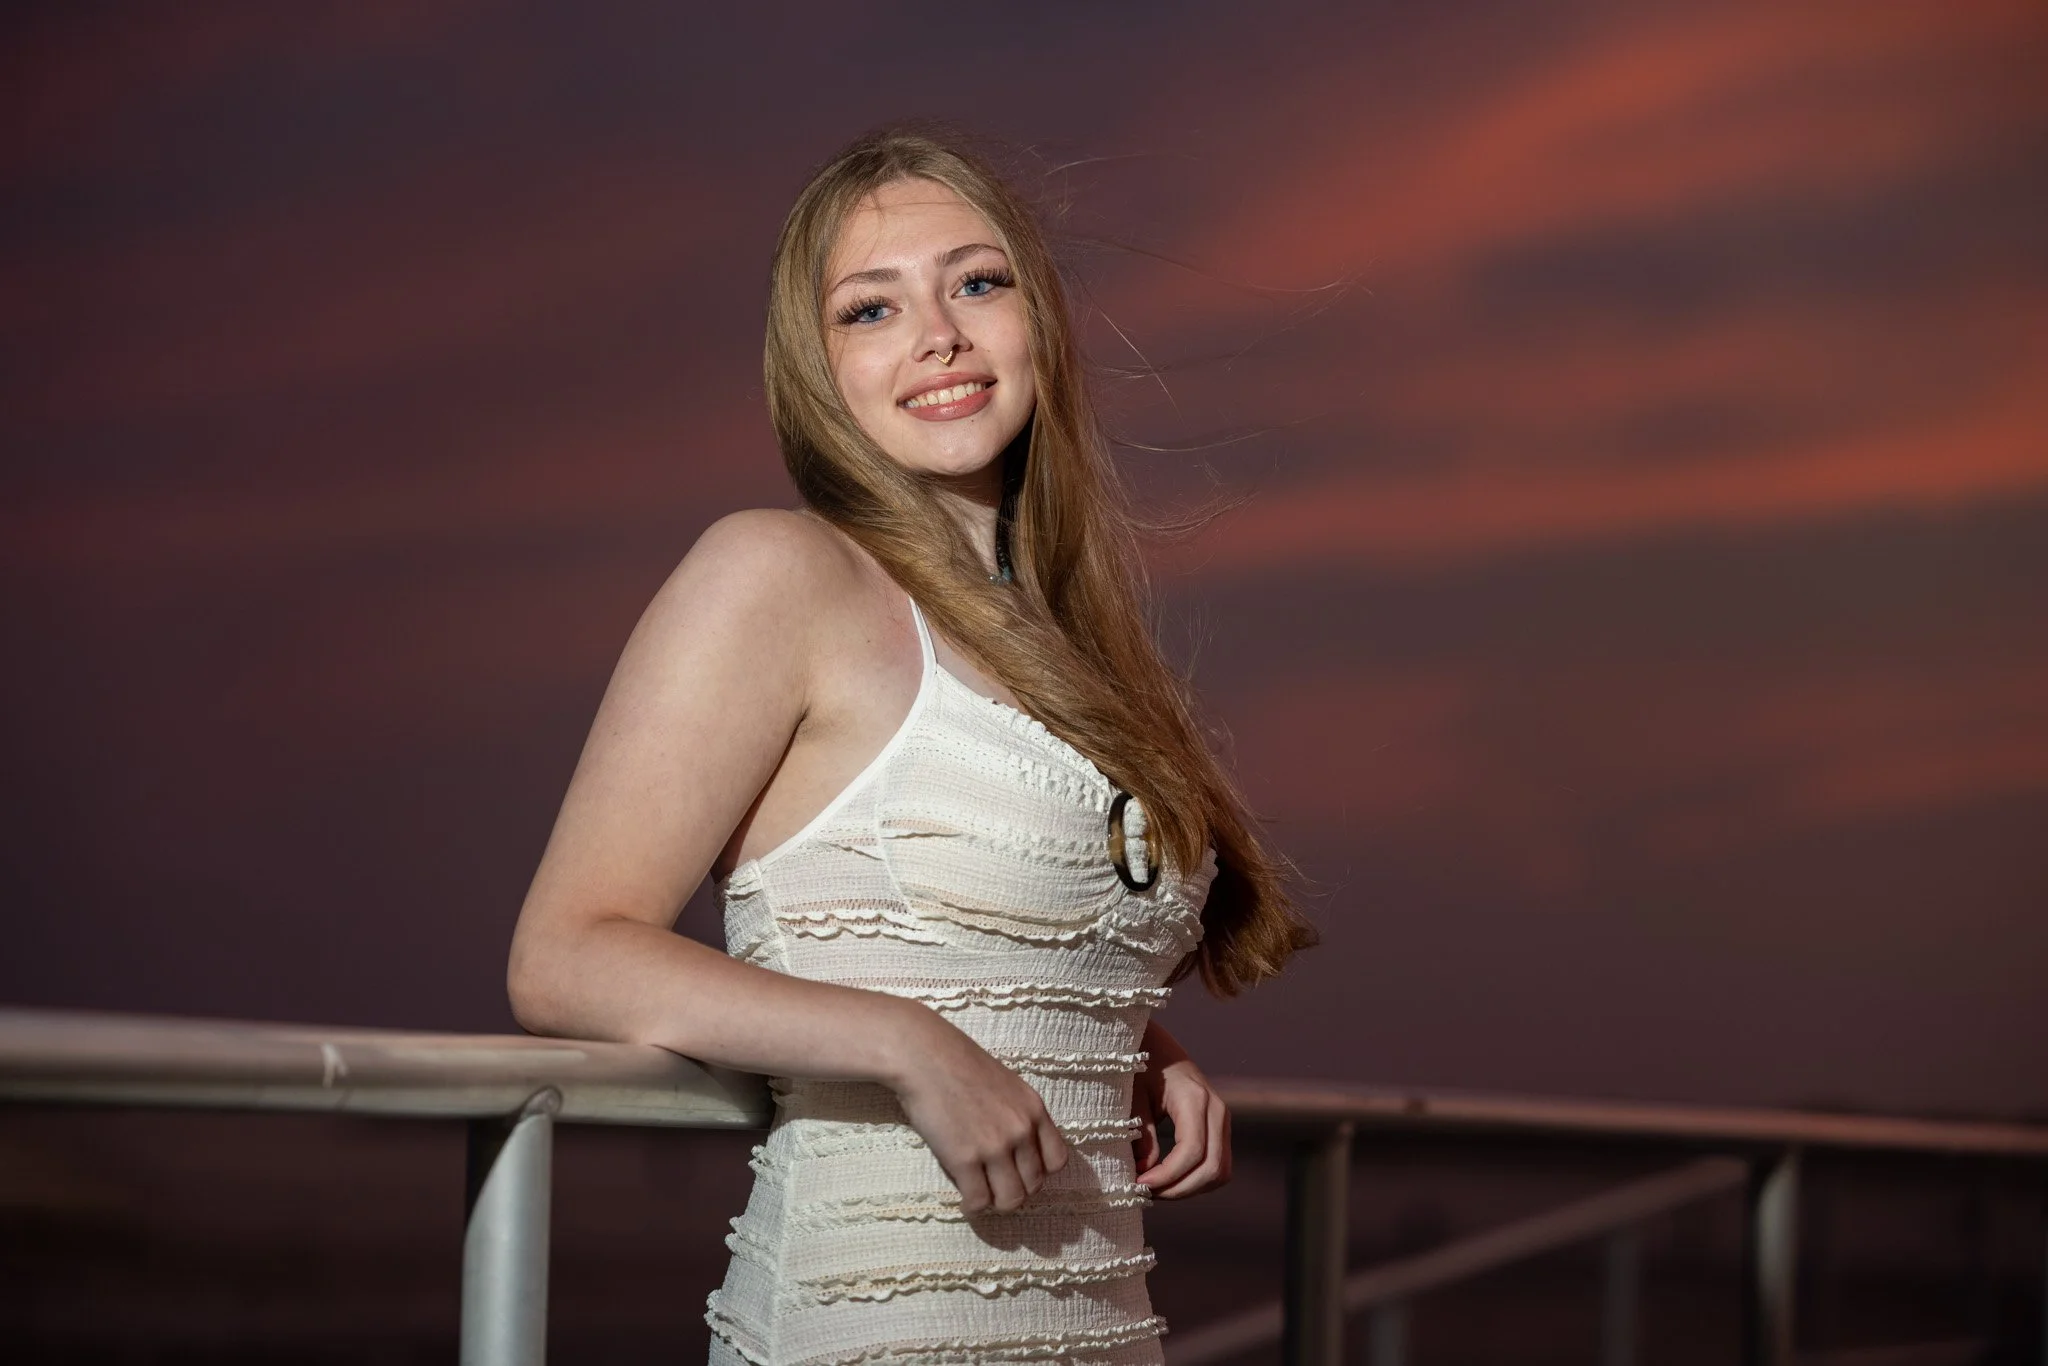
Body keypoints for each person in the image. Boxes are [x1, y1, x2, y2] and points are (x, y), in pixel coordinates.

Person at [506, 125, 1314, 1366]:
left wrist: (1129, 1042)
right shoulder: (775, 574)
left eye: (977, 283)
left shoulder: (1070, 643)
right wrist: (906, 1044)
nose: (938, 334)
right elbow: (565, 956)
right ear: (816, 368)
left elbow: (970, 933)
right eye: (871, 308)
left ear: (1038, 323)